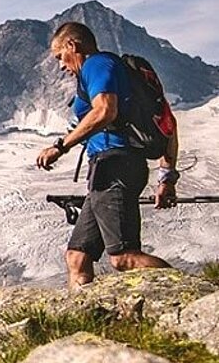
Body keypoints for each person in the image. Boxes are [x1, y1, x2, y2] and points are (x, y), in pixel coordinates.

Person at [37, 21, 178, 289]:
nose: (61, 66)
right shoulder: (110, 70)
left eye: (59, 57)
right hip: (107, 171)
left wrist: (60, 146)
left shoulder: (96, 64)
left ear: (72, 45)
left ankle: (194, 299)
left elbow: (105, 111)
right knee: (77, 257)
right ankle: (83, 319)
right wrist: (166, 178)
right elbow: (169, 126)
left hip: (115, 167)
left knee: (124, 258)